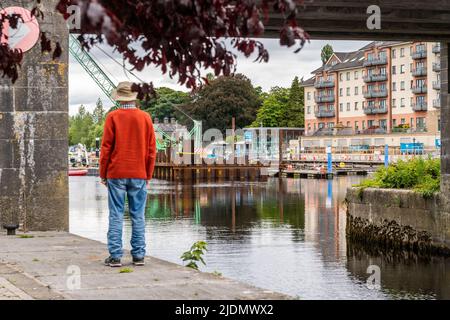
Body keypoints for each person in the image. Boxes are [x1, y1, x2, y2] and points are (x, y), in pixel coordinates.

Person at [99, 82, 157, 267]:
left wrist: (103, 174)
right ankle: (138, 256)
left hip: (116, 173)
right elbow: (151, 150)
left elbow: (106, 149)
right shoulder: (145, 118)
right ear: (134, 97)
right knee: (138, 215)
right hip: (139, 173)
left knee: (116, 214)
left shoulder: (112, 117)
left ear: (119, 97)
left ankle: (115, 256)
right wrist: (148, 174)